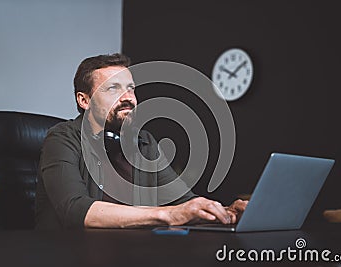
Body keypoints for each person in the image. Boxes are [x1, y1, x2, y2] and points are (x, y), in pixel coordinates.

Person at [35, 53, 247, 229]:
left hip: (129, 252)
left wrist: (223, 212)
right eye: (113, 88)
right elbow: (75, 210)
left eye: (130, 88)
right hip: (69, 253)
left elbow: (182, 202)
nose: (128, 97)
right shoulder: (62, 138)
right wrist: (168, 215)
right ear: (84, 100)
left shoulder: (144, 141)